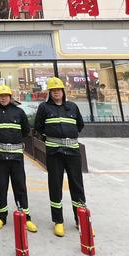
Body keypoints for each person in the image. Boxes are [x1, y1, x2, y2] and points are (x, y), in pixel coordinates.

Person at [34, 77, 86, 237]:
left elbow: (80, 125)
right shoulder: (44, 108)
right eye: (53, 90)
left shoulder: (72, 107)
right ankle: (58, 221)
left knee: (77, 185)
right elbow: (38, 127)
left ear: (63, 91)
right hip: (54, 152)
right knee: (55, 185)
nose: (56, 92)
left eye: (59, 90)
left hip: (72, 151)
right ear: (49, 93)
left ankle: (81, 220)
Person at [0, 84, 38, 233]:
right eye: (1, 96)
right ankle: (1, 215)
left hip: (16, 158)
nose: (4, 98)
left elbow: (26, 131)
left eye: (6, 95)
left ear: (10, 97)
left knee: (20, 186)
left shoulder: (19, 112)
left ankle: (25, 216)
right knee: (0, 187)